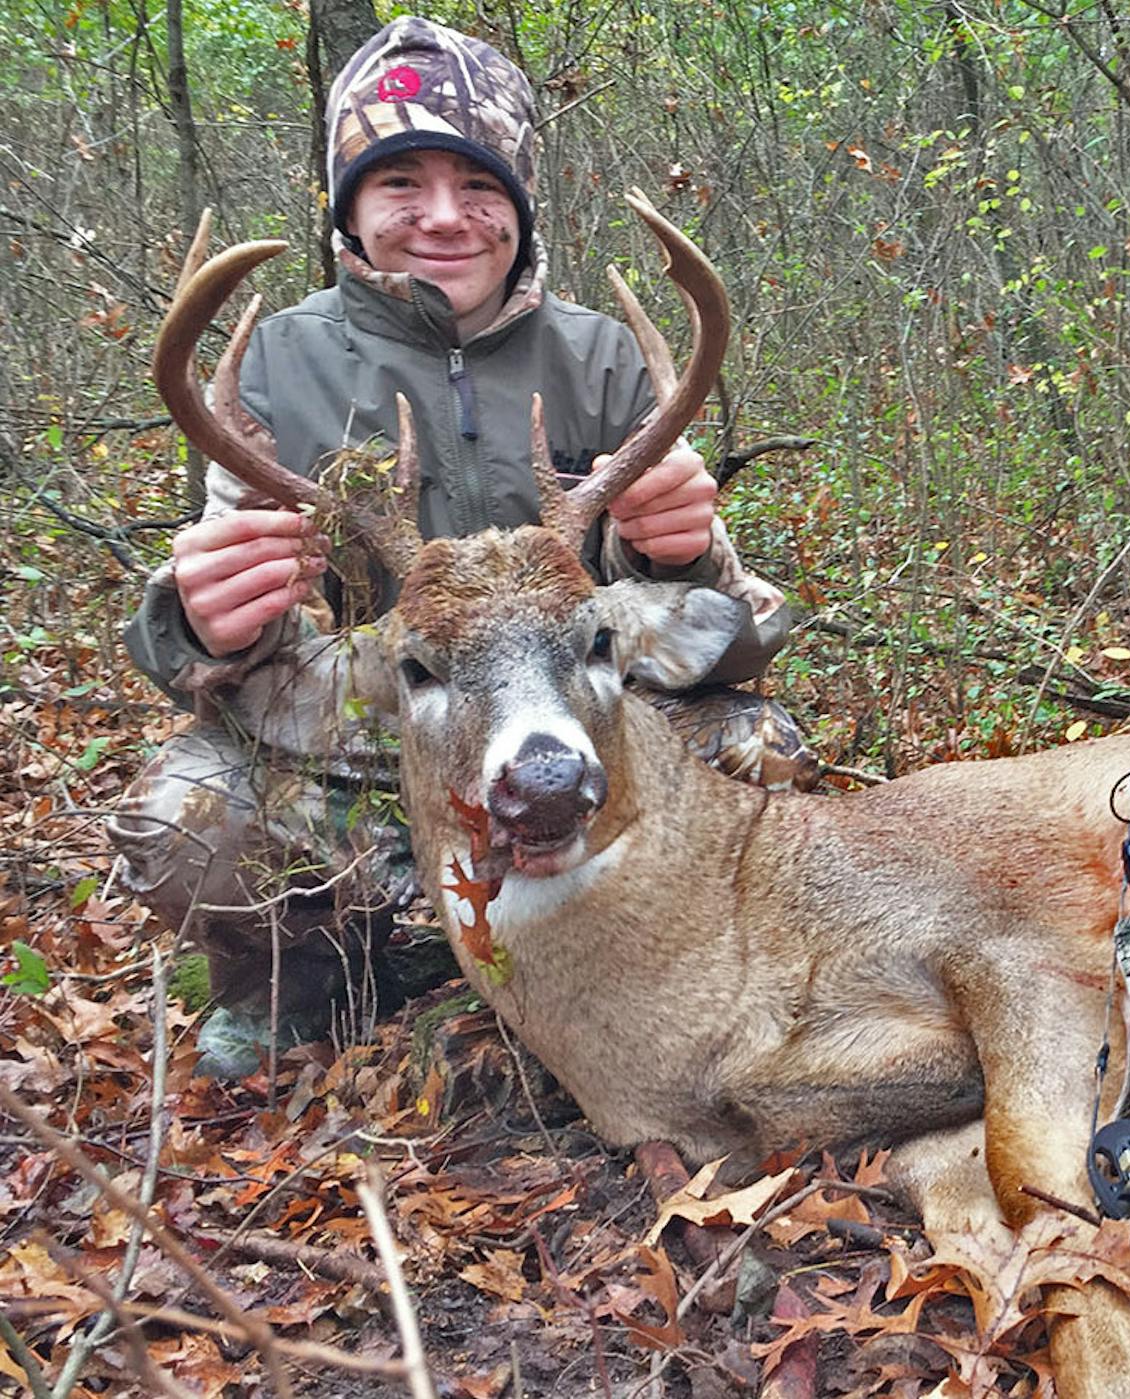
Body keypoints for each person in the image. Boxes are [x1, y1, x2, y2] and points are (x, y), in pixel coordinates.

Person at [108, 17, 817, 1078]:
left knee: (760, 749)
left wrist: (680, 559)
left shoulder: (605, 359)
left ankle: (663, 961)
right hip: (381, 749)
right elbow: (249, 662)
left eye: (479, 182)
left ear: (520, 205)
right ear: (348, 202)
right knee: (191, 817)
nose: (445, 215)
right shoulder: (273, 372)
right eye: (400, 179)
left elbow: (719, 635)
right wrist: (199, 620)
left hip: (570, 741)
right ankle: (307, 988)